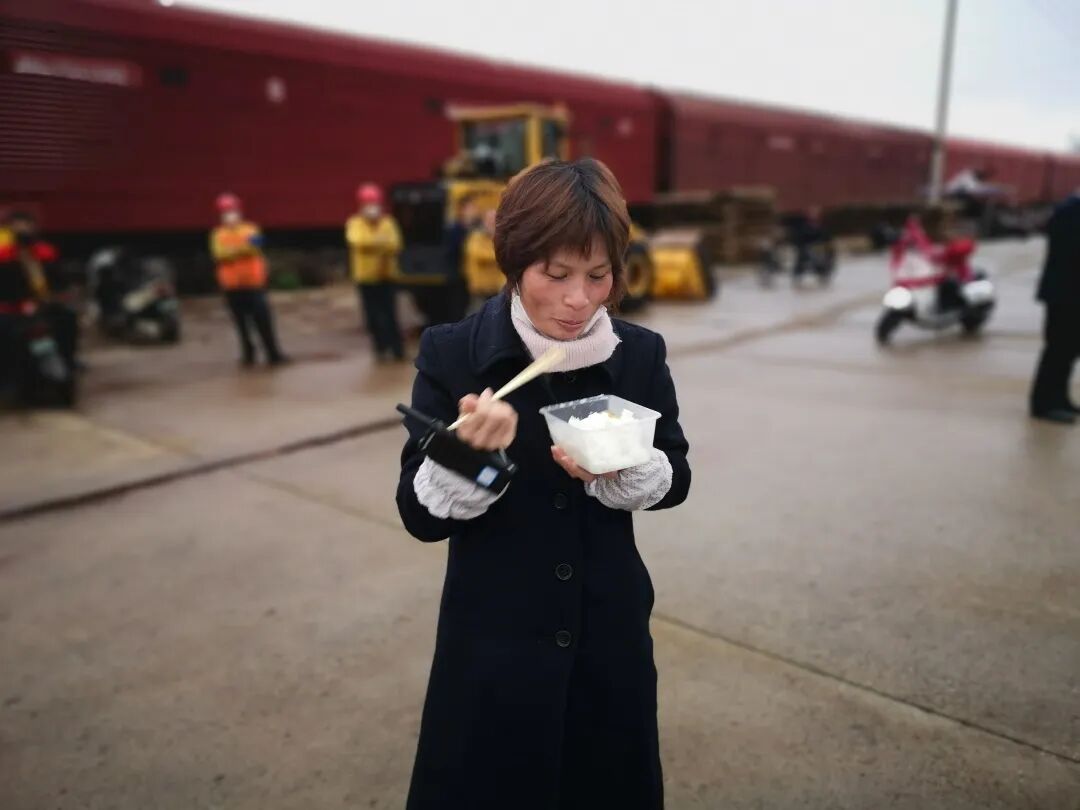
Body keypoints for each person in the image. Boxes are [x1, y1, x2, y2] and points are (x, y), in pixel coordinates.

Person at [397, 158, 692, 809]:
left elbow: (677, 476)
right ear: (514, 264)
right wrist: (470, 459)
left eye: (598, 275)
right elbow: (418, 516)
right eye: (555, 275)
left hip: (607, 633)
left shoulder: (639, 353)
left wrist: (625, 466)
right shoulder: (453, 352)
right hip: (492, 640)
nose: (579, 299)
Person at [209, 193, 287, 367]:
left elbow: (256, 246)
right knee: (241, 323)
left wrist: (233, 251)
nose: (230, 216)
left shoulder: (251, 229)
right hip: (232, 285)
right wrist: (242, 248)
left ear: (239, 212)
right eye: (226, 213)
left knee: (263, 319)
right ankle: (248, 354)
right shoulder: (217, 234)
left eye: (232, 211)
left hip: (254, 283)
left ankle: (273, 353)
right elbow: (219, 254)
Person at [0, 210, 79, 366]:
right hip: (11, 307)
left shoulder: (46, 252)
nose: (22, 230)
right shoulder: (4, 256)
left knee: (67, 317)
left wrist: (61, 296)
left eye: (26, 226)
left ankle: (68, 359)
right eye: (17, 226)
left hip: (44, 304)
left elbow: (59, 280)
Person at [1029, 189, 1080, 424]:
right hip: (1064, 293)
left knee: (1069, 350)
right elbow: (1071, 251)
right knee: (1058, 349)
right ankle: (1044, 404)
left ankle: (1060, 398)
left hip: (1071, 293)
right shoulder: (1070, 211)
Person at [346, 182, 405, 361]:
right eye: (368, 203)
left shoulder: (388, 222)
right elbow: (358, 241)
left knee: (391, 314)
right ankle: (380, 349)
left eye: (374, 203)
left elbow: (395, 244)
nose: (372, 208)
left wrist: (373, 244)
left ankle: (397, 349)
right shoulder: (355, 223)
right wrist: (380, 242)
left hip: (387, 275)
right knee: (372, 316)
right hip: (366, 278)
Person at [441, 195, 479, 321]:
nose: (474, 210)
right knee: (457, 309)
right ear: (462, 210)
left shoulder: (477, 229)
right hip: (457, 276)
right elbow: (451, 251)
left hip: (472, 278)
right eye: (471, 207)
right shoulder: (454, 230)